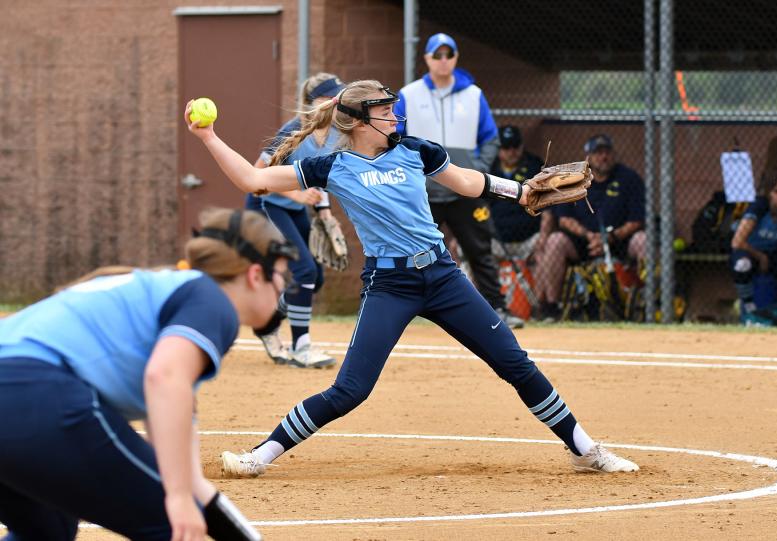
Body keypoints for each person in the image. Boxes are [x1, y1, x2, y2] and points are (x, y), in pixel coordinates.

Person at [184, 79, 640, 478]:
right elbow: (251, 180)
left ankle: (585, 450)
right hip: (389, 286)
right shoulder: (333, 166)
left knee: (515, 364)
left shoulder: (417, 150)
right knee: (349, 390)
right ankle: (260, 455)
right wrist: (207, 136)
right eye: (384, 111)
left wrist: (519, 192)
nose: (394, 115)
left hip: (442, 276)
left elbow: (466, 181)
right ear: (360, 122)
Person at [0, 207, 296, 540]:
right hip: (34, 394)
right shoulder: (212, 300)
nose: (283, 289)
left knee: (48, 529)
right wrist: (179, 499)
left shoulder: (168, 291)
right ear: (256, 274)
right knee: (173, 524)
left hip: (20, 397)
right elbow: (164, 376)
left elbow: (192, 481)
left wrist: (185, 494)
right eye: (281, 277)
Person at [394, 33, 524, 329]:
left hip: (465, 191)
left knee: (480, 250)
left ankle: (498, 309)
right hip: (424, 192)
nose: (442, 61)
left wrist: (474, 170)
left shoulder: (473, 94)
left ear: (455, 58)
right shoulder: (409, 94)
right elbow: (394, 138)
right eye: (436, 55)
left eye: (448, 54)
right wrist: (412, 174)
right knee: (411, 249)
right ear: (426, 59)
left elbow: (489, 138)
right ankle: (400, 309)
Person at [245, 72, 346, 369]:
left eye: (339, 97)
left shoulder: (336, 133)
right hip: (267, 205)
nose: (337, 102)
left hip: (294, 207)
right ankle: (301, 346)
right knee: (304, 272)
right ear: (313, 103)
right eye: (331, 97)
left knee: (315, 277)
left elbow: (321, 176)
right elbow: (255, 177)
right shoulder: (291, 132)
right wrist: (298, 197)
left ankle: (267, 323)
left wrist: (325, 213)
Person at [537, 134, 646, 320]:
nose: (603, 157)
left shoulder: (629, 178)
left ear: (614, 155)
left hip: (619, 241)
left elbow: (637, 220)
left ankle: (649, 304)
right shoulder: (573, 179)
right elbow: (564, 220)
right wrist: (589, 236)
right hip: (583, 242)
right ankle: (552, 309)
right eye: (597, 153)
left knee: (643, 240)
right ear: (587, 157)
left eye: (607, 152)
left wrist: (611, 237)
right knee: (555, 241)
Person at [730, 173, 777, 325]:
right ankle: (748, 305)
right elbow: (737, 242)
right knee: (742, 264)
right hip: (751, 251)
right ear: (769, 194)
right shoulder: (759, 206)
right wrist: (760, 256)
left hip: (775, 255)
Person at [489, 125, 554, 277]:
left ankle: (541, 301)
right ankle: (480, 300)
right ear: (498, 149)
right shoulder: (489, 168)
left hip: (530, 241)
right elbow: (477, 208)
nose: (512, 151)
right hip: (497, 242)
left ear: (522, 145)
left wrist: (543, 239)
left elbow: (548, 207)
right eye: (506, 147)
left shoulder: (535, 166)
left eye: (515, 146)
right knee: (468, 252)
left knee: (546, 254)